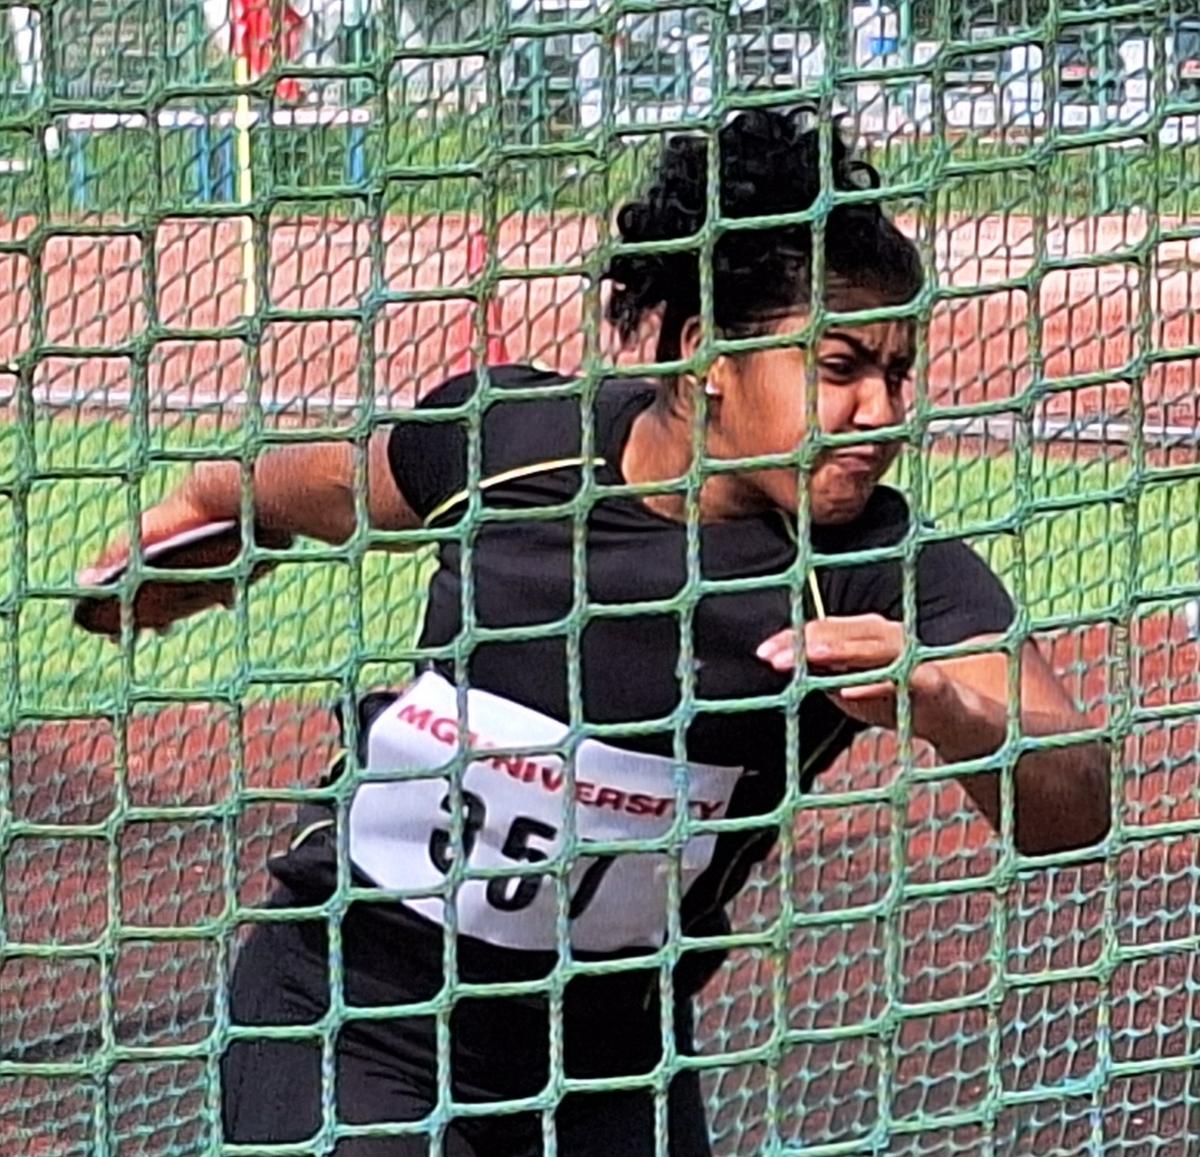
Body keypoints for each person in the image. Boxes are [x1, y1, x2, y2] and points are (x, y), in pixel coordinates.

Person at [79, 107, 1110, 1156]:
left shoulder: (880, 571)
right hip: (355, 1013)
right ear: (711, 353)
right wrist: (208, 516)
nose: (883, 410)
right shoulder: (518, 442)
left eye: (899, 371)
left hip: (612, 1057)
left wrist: (949, 706)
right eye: (839, 368)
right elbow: (340, 482)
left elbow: (1073, 796)